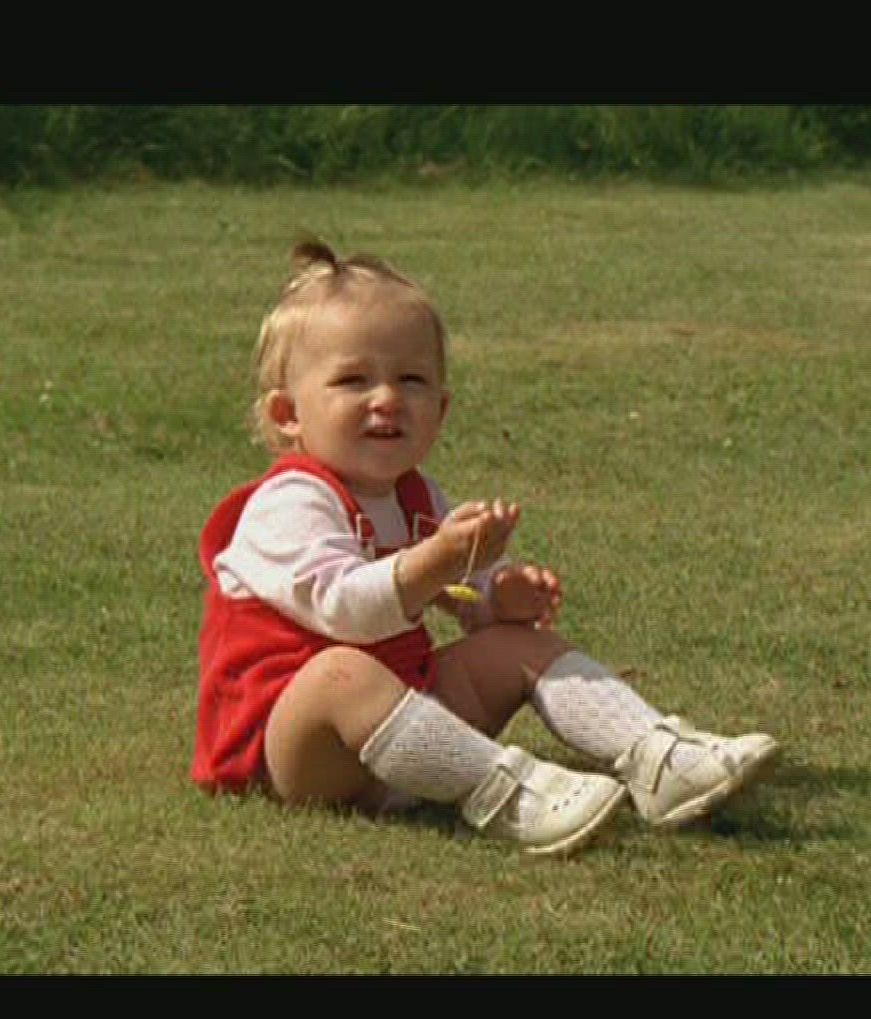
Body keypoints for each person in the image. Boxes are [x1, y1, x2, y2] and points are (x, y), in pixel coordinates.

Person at [193, 239, 779, 855]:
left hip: (404, 723)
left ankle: (658, 757)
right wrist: (438, 559)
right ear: (288, 414)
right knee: (339, 673)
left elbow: (463, 594)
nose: (387, 398)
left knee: (516, 647)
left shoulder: (418, 496)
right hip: (295, 754)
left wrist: (498, 597)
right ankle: (507, 792)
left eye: (411, 380)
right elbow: (346, 610)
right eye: (353, 380)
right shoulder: (289, 502)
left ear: (440, 410)